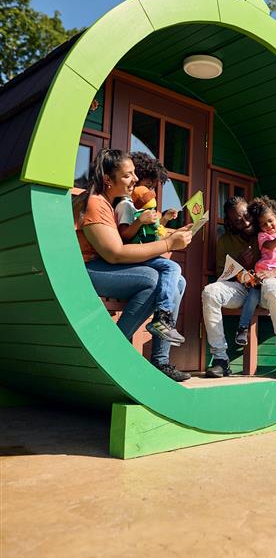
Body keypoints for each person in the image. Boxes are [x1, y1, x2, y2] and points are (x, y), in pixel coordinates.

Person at [74, 148, 192, 382]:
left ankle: (160, 360)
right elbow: (115, 254)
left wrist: (171, 233)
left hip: (104, 267)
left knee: (177, 280)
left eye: (134, 174)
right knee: (152, 279)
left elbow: (129, 240)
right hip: (86, 270)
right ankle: (113, 351)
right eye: (128, 175)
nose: (135, 179)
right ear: (108, 179)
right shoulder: (96, 203)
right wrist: (169, 243)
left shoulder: (113, 203)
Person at [201, 196, 276, 379]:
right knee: (210, 292)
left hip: (266, 289)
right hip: (241, 289)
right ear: (230, 223)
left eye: (247, 216)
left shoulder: (267, 230)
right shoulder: (225, 241)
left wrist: (273, 273)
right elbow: (220, 275)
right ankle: (221, 359)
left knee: (271, 285)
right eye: (239, 221)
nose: (246, 222)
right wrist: (240, 265)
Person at [114, 152, 185, 345]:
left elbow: (150, 233)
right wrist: (140, 220)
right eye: (149, 186)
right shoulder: (126, 205)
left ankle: (162, 348)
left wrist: (165, 221)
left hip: (142, 254)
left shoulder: (136, 207)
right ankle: (162, 317)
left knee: (180, 281)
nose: (150, 191)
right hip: (134, 256)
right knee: (172, 268)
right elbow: (125, 235)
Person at [235, 195, 276, 348]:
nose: (268, 225)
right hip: (263, 273)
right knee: (252, 298)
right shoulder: (263, 235)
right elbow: (268, 247)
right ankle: (242, 327)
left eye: (270, 221)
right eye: (263, 224)